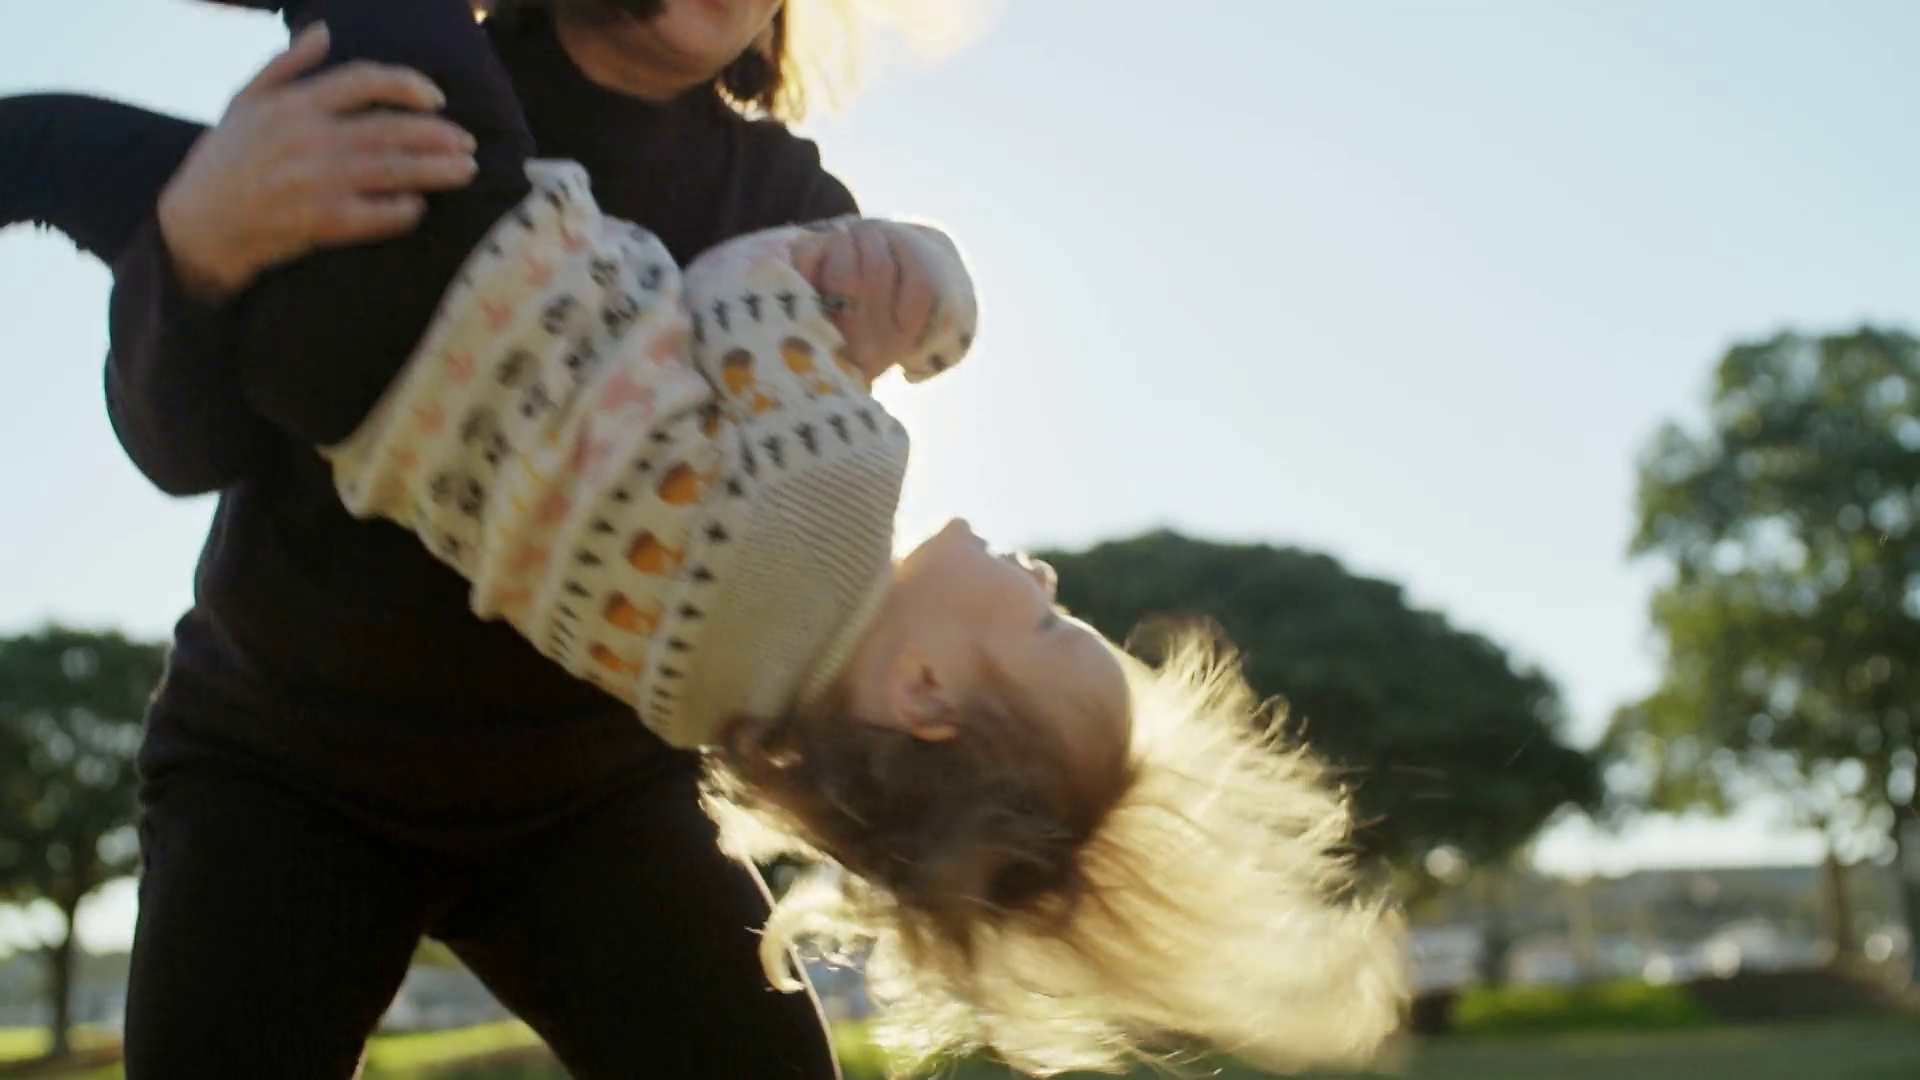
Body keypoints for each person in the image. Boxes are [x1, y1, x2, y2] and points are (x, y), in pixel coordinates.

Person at [2, 1, 1411, 1074]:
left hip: (586, 806)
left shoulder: (785, 215)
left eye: (1046, 616)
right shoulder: (443, 77)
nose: (1043, 578)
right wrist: (194, 242)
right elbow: (181, 444)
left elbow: (774, 360)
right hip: (282, 761)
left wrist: (916, 285)